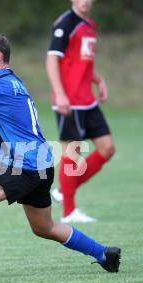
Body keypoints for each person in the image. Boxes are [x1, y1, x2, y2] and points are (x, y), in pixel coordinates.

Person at [0, 33, 121, 281]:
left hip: (22, 163)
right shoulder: (7, 82)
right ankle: (104, 254)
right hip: (40, 162)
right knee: (44, 227)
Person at [46, 0, 115, 223]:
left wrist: (99, 79)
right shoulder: (66, 23)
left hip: (87, 98)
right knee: (72, 154)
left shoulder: (88, 25)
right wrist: (60, 93)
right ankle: (68, 212)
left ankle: (64, 190)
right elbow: (51, 60)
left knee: (107, 148)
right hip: (70, 99)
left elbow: (80, 61)